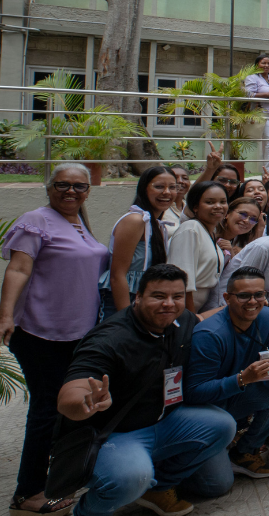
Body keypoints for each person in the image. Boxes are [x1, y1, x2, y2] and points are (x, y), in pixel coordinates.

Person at [56, 265, 237, 516]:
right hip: (117, 434)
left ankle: (159, 487)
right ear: (138, 297)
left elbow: (201, 320)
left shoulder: (180, 320)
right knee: (132, 477)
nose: (169, 304)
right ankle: (85, 512)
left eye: (177, 296)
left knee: (222, 428)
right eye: (158, 296)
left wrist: (244, 305)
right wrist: (86, 402)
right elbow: (69, 394)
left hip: (165, 421)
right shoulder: (110, 339)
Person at [0, 164, 108, 514]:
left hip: (77, 334)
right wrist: (4, 315)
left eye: (79, 186)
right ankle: (28, 492)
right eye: (62, 184)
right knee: (47, 409)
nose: (70, 191)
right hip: (40, 332)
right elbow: (18, 269)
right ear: (49, 188)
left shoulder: (81, 224)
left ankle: (56, 476)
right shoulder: (37, 220)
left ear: (88, 191)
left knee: (66, 409)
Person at [186, 267, 269, 480]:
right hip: (207, 409)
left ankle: (245, 451)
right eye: (244, 296)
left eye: (259, 295)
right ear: (227, 298)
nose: (253, 302)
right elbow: (193, 393)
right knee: (217, 485)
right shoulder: (209, 335)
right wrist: (242, 379)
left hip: (237, 397)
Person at [101, 166, 176, 319]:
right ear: (144, 189)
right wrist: (127, 320)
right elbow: (117, 275)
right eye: (159, 186)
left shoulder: (157, 225)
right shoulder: (135, 220)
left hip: (145, 303)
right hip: (122, 304)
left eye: (172, 187)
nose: (167, 192)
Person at [169, 181, 229, 313]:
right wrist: (190, 318)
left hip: (201, 307)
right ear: (195, 207)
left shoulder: (209, 233)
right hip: (183, 309)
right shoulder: (191, 229)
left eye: (223, 201)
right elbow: (183, 280)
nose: (218, 206)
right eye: (210, 202)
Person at [245, 54, 269, 175]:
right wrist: (267, 95)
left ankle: (267, 172)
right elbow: (248, 94)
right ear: (257, 64)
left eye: (268, 63)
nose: (266, 65)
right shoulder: (252, 78)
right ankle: (268, 171)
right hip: (262, 114)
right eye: (263, 63)